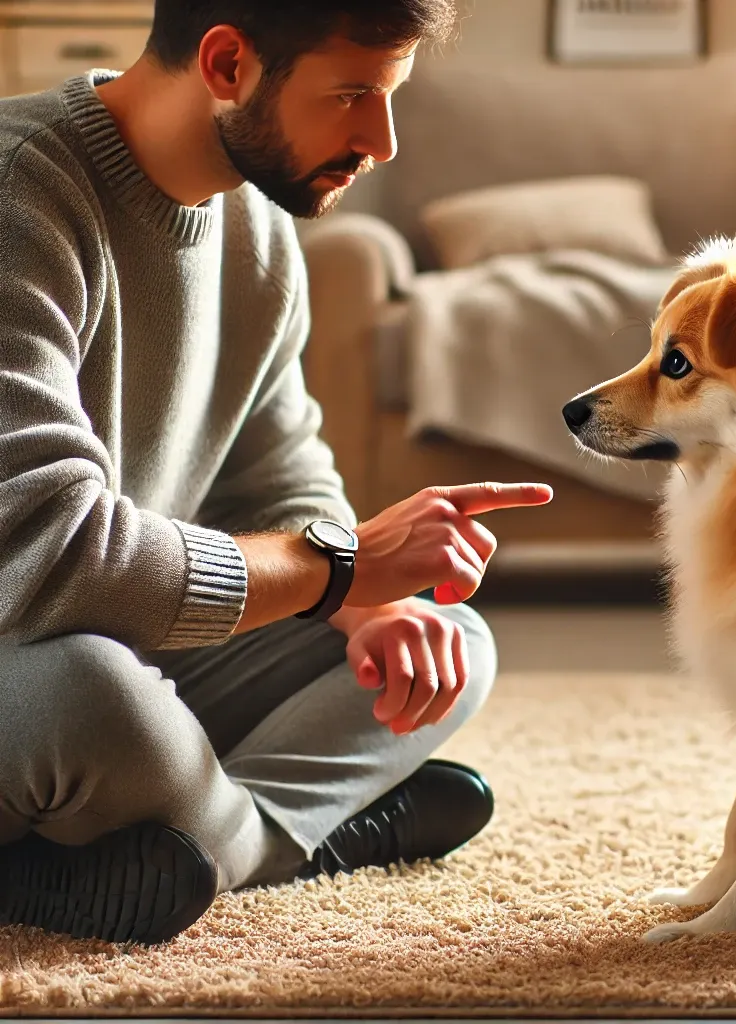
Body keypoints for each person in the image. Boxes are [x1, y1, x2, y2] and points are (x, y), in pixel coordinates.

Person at [0, 0, 553, 946]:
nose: (380, 140)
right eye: (352, 95)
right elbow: (49, 555)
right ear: (226, 63)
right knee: (94, 697)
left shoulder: (256, 228)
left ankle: (180, 848)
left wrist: (370, 607)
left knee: (448, 641)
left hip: (139, 639)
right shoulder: (22, 195)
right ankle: (291, 836)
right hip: (35, 649)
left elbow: (279, 479)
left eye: (390, 97)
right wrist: (340, 568)